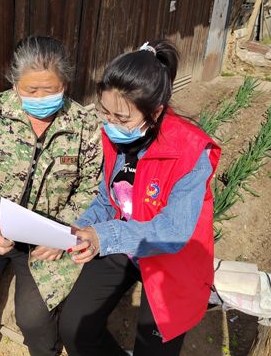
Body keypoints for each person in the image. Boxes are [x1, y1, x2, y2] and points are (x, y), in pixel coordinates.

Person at [0, 36, 103, 356]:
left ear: (66, 84)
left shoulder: (84, 125)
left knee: (34, 320)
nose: (41, 97)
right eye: (31, 90)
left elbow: (92, 187)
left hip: (49, 236)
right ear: (14, 84)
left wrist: (62, 233)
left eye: (50, 89)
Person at [59, 39, 221, 356]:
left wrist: (104, 236)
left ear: (155, 113)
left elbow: (173, 231)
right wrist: (82, 227)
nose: (111, 124)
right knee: (75, 328)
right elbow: (109, 199)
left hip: (170, 256)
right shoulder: (115, 137)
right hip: (124, 245)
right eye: (105, 112)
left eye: (122, 118)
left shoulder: (190, 152)